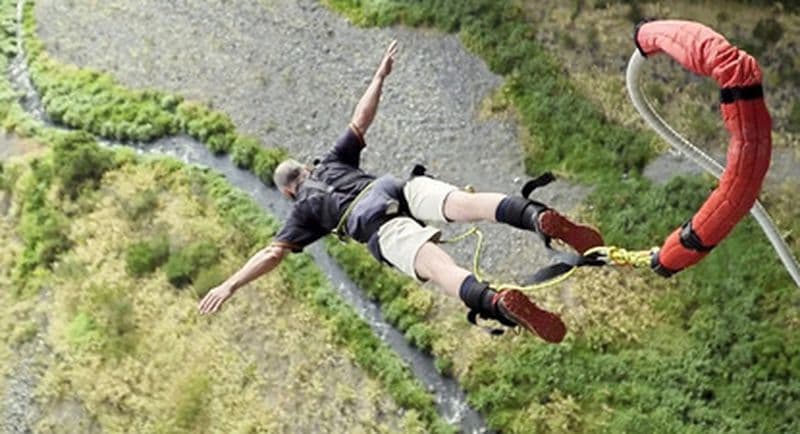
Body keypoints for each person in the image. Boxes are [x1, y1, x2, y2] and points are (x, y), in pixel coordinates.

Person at [198, 40, 603, 343]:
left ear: (289, 192)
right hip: (398, 189)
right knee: (471, 204)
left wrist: (230, 284)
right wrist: (379, 77)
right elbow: (360, 119)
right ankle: (537, 217)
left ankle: (496, 302)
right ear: (305, 168)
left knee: (441, 270)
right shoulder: (332, 160)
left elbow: (271, 254)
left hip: (379, 226)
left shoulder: (302, 211)